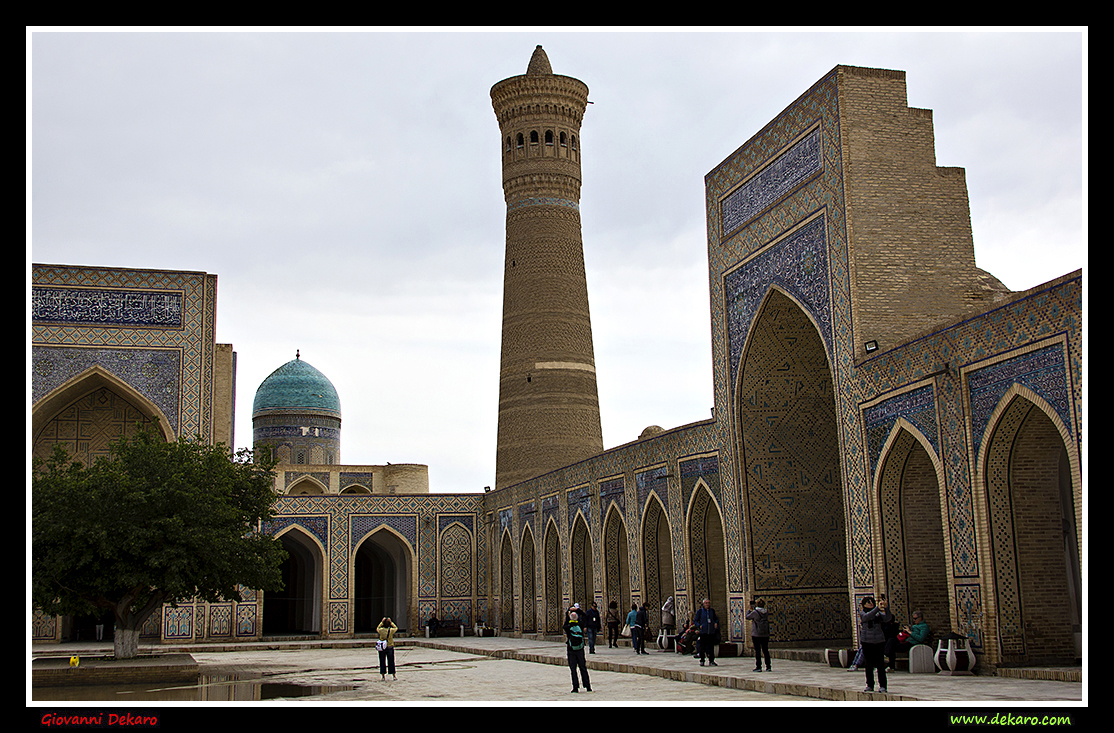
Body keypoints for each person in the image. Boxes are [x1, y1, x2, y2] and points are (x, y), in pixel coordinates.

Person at [858, 596, 890, 693]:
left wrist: (886, 608)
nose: (871, 603)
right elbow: (867, 617)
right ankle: (870, 685)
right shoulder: (863, 612)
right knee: (869, 664)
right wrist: (877, 609)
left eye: (872, 602)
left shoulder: (878, 613)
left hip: (879, 641)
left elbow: (887, 618)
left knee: (880, 664)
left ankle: (883, 686)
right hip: (867, 641)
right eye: (868, 602)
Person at [563, 611, 592, 693]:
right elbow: (585, 615)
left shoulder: (568, 626)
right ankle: (588, 686)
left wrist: (567, 614)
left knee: (573, 669)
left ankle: (575, 687)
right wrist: (577, 610)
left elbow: (564, 625)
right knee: (583, 667)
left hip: (571, 649)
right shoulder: (580, 624)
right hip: (580, 649)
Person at [693, 597, 720, 667]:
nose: (707, 604)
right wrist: (699, 626)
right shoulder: (700, 611)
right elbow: (695, 620)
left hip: (711, 632)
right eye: (706, 603)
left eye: (708, 603)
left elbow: (716, 619)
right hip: (703, 632)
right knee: (702, 647)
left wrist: (716, 623)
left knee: (711, 647)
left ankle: (711, 660)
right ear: (703, 604)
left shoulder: (712, 611)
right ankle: (702, 660)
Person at [746, 597, 771, 672]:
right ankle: (768, 666)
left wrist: (749, 609)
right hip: (765, 634)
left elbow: (748, 617)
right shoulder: (766, 612)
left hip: (756, 634)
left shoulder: (755, 612)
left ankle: (758, 667)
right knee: (765, 650)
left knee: (758, 651)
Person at [376, 616, 398, 680]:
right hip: (389, 646)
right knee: (391, 661)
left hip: (382, 647)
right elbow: (396, 628)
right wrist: (391, 622)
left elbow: (377, 628)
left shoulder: (381, 630)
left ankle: (383, 676)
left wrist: (381, 622)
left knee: (382, 661)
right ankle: (393, 675)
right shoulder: (390, 630)